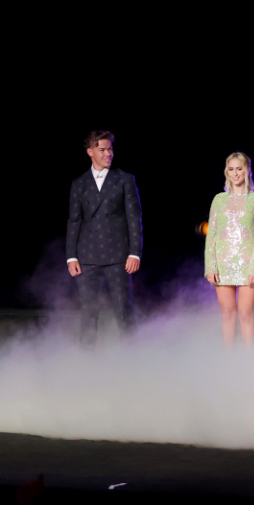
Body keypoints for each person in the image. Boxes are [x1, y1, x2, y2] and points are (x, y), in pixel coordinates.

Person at [66, 130, 143, 345]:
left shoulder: (125, 179)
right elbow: (74, 220)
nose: (108, 153)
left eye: (110, 149)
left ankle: (134, 358)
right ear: (90, 152)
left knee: (122, 308)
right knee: (88, 311)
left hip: (118, 255)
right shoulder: (79, 183)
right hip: (87, 256)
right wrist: (71, 256)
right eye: (102, 149)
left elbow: (134, 217)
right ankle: (87, 362)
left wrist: (134, 252)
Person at [204, 152, 254, 346]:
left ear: (247, 170)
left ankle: (249, 363)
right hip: (222, 265)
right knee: (227, 314)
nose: (235, 173)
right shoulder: (218, 200)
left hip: (248, 264)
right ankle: (230, 363)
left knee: (245, 313)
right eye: (231, 169)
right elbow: (212, 235)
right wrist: (210, 267)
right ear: (227, 172)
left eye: (239, 168)